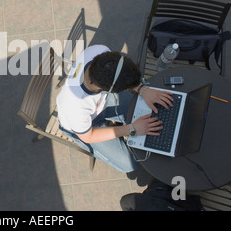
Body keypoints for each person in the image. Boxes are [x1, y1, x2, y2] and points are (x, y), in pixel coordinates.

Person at [56, 44, 173, 172]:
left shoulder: (100, 52)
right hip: (85, 128)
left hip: (102, 102)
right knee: (130, 164)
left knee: (149, 112)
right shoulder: (75, 105)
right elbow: (88, 136)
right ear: (110, 89)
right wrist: (132, 129)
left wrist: (143, 89)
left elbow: (120, 72)